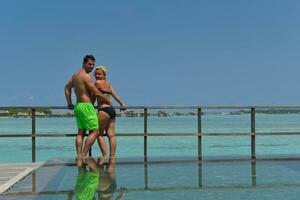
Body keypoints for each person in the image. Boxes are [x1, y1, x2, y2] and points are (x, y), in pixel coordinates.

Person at [65, 55, 110, 158]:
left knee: (80, 132)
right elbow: (96, 92)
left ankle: (79, 155)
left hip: (78, 106)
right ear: (84, 63)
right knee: (95, 131)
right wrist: (107, 99)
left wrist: (69, 103)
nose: (91, 67)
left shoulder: (75, 75)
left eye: (93, 65)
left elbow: (67, 87)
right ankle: (84, 154)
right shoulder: (86, 76)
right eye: (90, 64)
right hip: (86, 106)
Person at [93, 66, 126, 158]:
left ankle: (104, 155)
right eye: (95, 74)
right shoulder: (109, 84)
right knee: (111, 135)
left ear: (104, 75)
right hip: (112, 111)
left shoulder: (97, 83)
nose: (97, 76)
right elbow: (115, 95)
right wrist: (122, 103)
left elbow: (94, 94)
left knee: (99, 134)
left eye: (99, 74)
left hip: (103, 110)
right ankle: (112, 157)